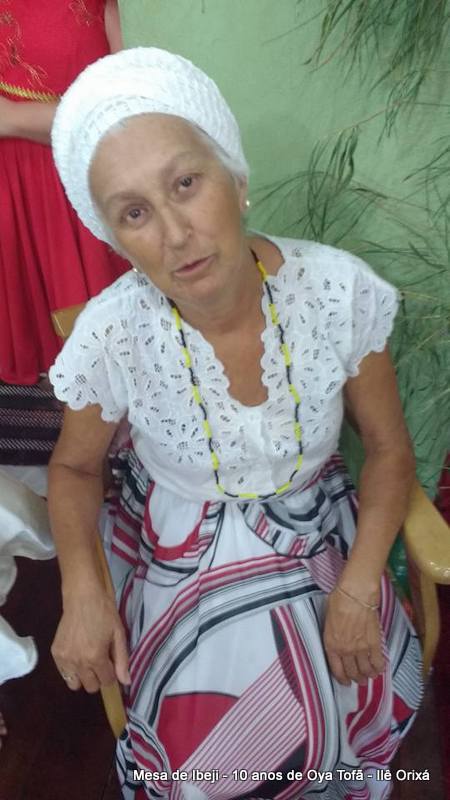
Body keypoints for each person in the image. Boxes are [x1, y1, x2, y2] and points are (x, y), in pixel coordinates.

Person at [47, 48, 423, 800]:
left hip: (323, 537)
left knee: (349, 697)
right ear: (115, 238)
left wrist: (358, 588)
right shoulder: (113, 332)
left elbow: (387, 449)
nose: (175, 233)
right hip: (185, 554)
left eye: (186, 183)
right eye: (134, 213)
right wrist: (80, 585)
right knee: (211, 764)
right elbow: (73, 466)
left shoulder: (337, 291)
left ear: (236, 178)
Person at [0, 0, 127, 385]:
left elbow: (129, 100)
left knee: (106, 351)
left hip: (82, 173)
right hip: (12, 187)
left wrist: (13, 119)